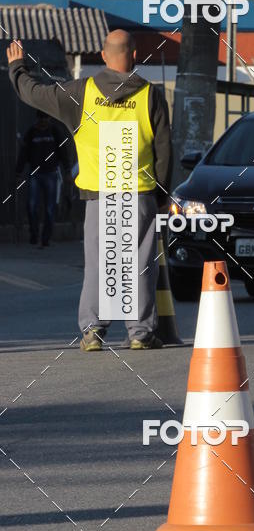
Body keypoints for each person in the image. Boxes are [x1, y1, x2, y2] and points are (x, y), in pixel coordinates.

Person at [7, 31, 172, 350]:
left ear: (102, 54)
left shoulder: (81, 93)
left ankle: (93, 331)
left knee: (101, 262)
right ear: (135, 56)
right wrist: (162, 195)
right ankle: (139, 333)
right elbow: (164, 147)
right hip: (139, 194)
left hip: (100, 195)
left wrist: (17, 67)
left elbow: (34, 93)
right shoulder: (151, 95)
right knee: (138, 263)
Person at [16, 110, 72, 247]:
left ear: (49, 119)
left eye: (46, 119)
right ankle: (34, 233)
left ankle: (45, 238)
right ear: (38, 119)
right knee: (32, 205)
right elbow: (24, 152)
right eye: (42, 119)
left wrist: (67, 171)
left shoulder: (55, 132)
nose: (44, 122)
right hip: (35, 174)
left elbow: (63, 151)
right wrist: (18, 172)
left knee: (49, 208)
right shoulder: (32, 132)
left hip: (51, 174)